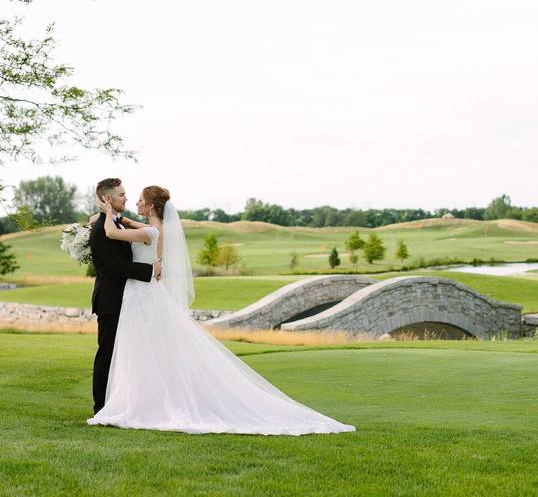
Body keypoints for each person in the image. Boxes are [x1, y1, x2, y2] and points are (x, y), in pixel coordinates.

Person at [87, 184, 355, 436]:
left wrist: (108, 213)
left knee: (142, 350)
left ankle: (138, 404)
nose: (134, 202)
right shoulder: (151, 227)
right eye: (126, 196)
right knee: (141, 351)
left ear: (153, 207)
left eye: (141, 201)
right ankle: (134, 401)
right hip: (138, 296)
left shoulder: (150, 231)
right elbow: (124, 226)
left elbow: (112, 232)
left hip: (141, 295)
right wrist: (102, 218)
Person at [87, 178, 158, 415]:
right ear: (107, 199)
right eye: (121, 194)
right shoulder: (101, 231)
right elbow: (117, 266)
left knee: (123, 354)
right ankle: (100, 407)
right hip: (110, 301)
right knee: (106, 354)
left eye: (126, 194)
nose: (126, 198)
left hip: (127, 300)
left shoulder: (115, 224)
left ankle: (120, 401)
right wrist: (150, 271)